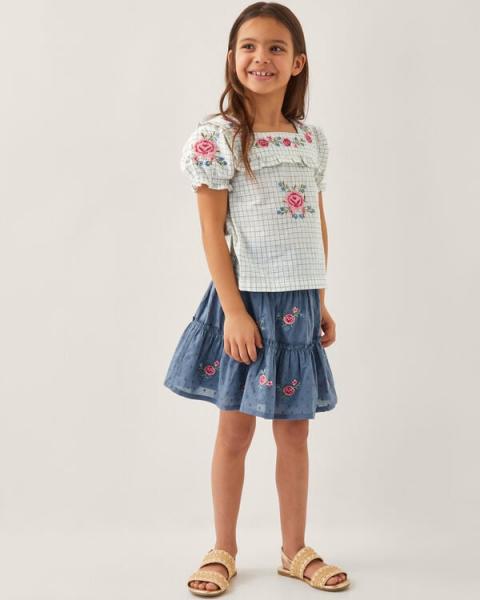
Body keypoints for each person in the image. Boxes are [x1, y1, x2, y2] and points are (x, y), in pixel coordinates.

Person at [163, 1, 350, 595]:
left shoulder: (310, 140)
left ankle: (295, 550)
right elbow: (211, 235)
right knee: (235, 431)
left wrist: (320, 298)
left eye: (275, 48)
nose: (260, 58)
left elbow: (315, 225)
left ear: (297, 63)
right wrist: (234, 311)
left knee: (294, 434)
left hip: (298, 304)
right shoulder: (217, 139)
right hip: (244, 306)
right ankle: (222, 547)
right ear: (231, 58)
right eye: (249, 46)